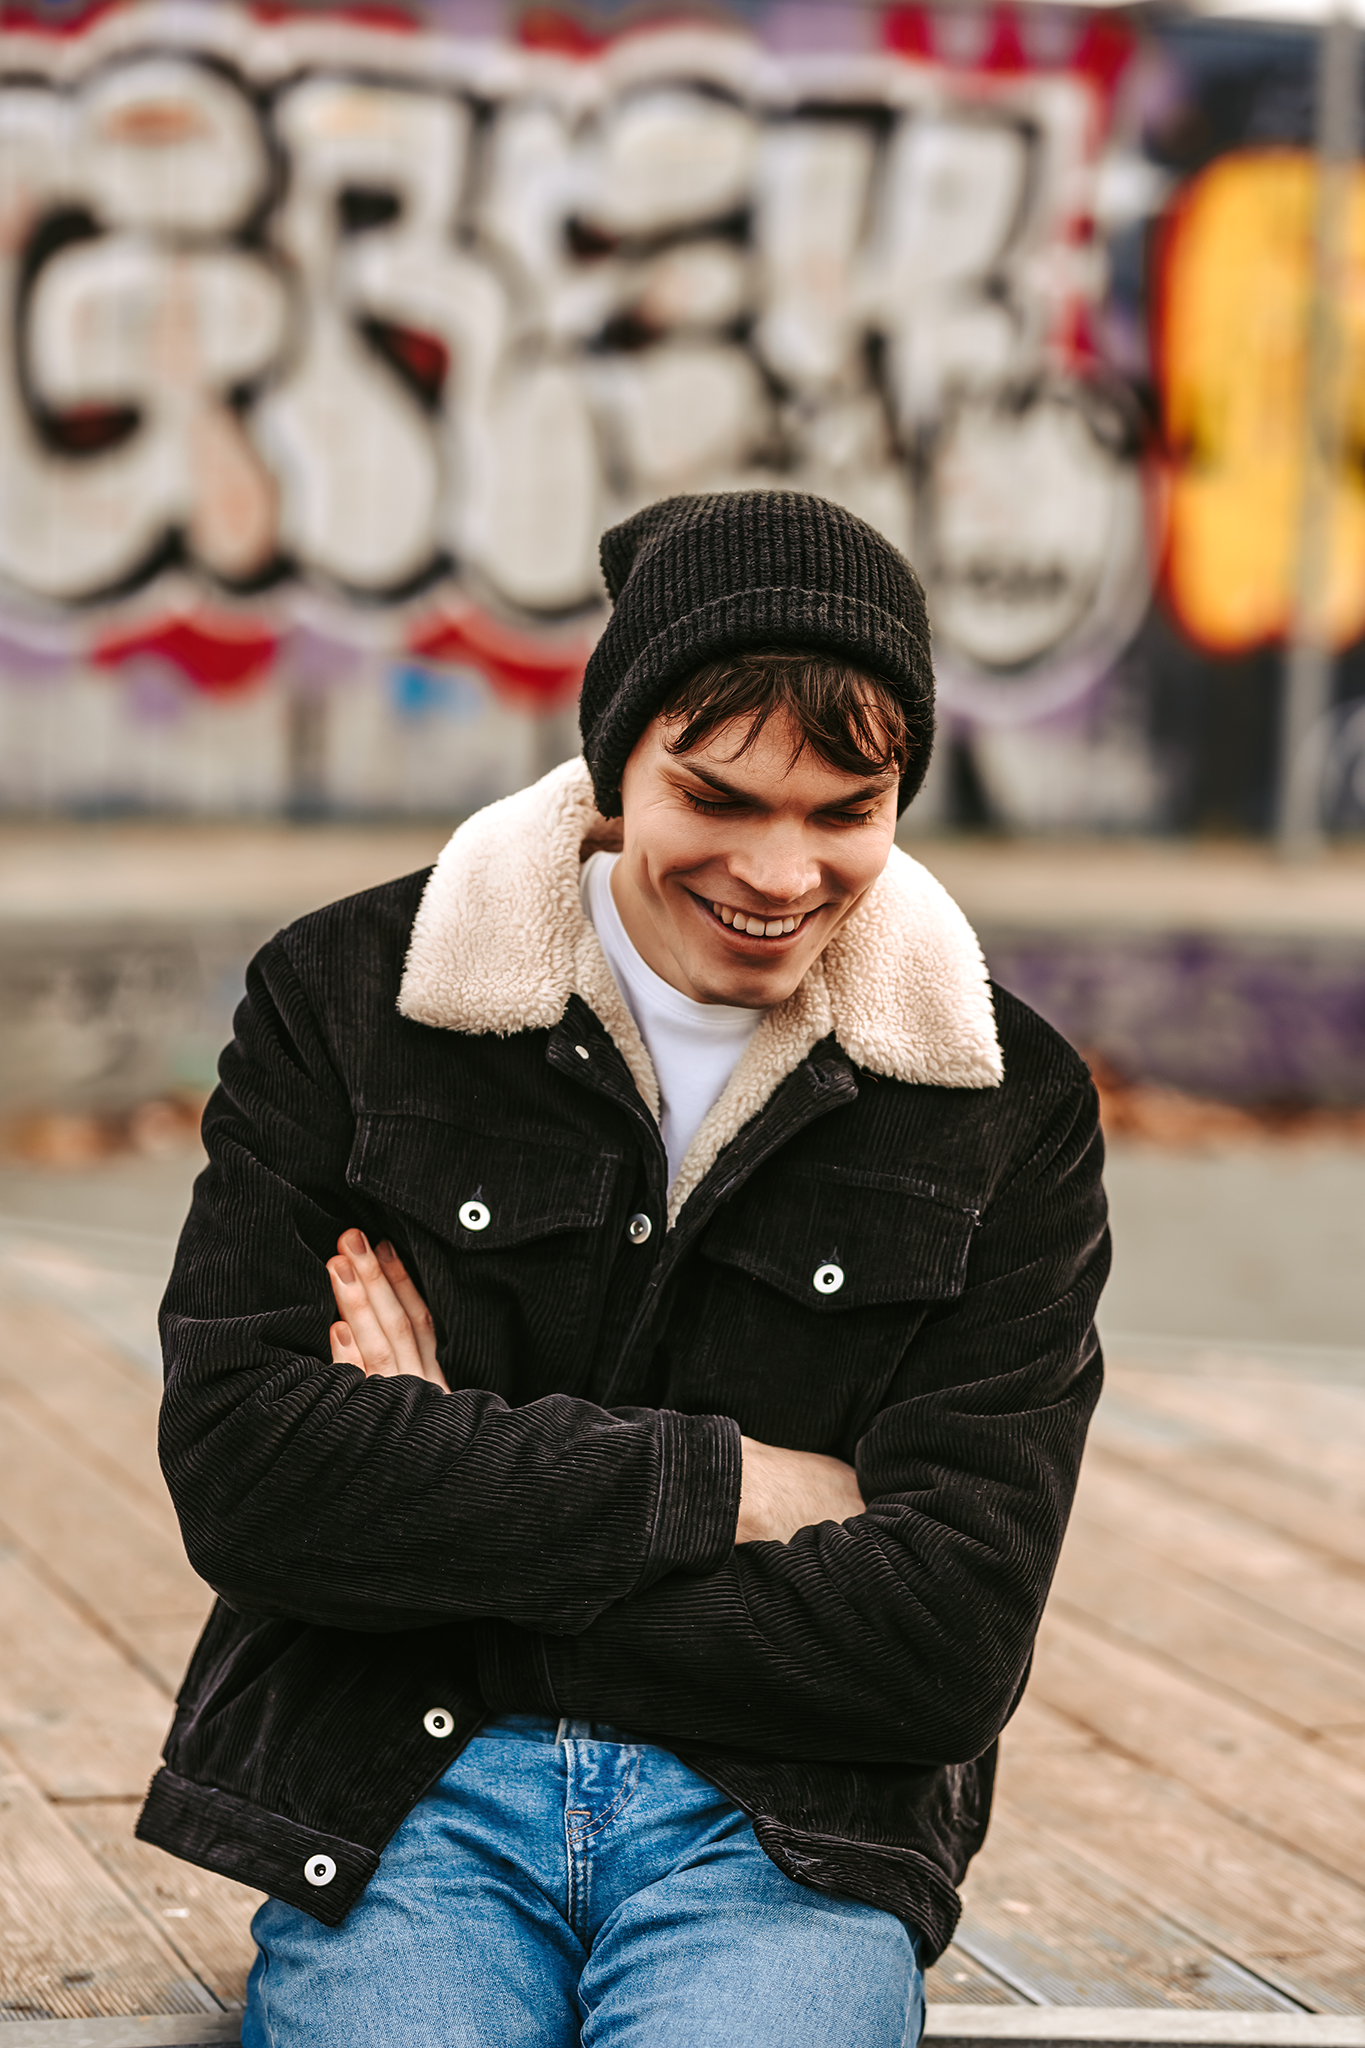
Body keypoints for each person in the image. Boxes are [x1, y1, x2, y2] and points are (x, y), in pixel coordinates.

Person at [138, 490, 1109, 2048]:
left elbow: (945, 1641)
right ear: (613, 765)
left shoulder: (1005, 1104)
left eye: (844, 811)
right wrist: (735, 1487)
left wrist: (444, 1506)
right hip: (404, 1791)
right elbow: (249, 1481)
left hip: (788, 1833)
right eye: (718, 798)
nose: (779, 871)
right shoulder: (349, 1003)